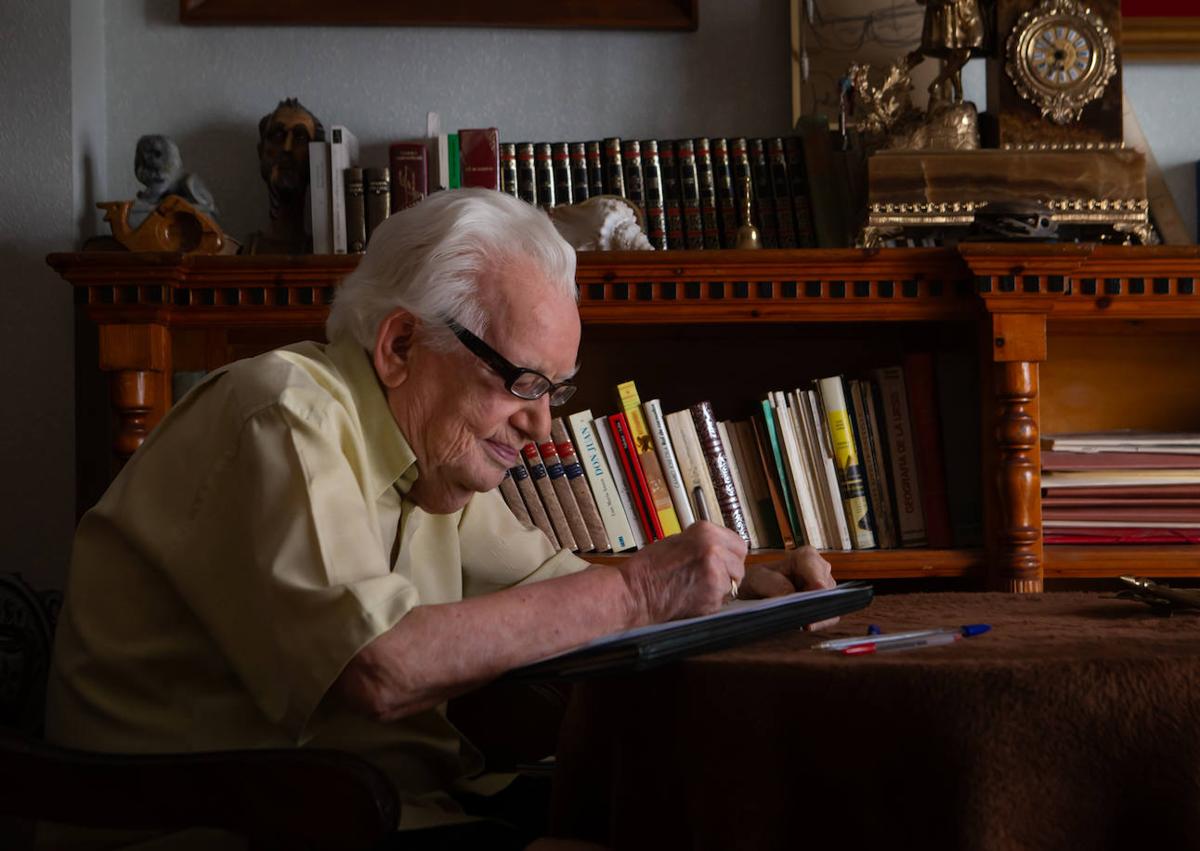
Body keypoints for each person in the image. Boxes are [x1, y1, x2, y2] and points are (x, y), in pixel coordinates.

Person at [46, 188, 834, 848]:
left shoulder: (435, 464)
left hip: (371, 813)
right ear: (399, 344)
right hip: (207, 828)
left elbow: (568, 599)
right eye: (524, 382)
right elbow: (380, 666)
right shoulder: (283, 413)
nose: (544, 428)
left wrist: (746, 595)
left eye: (554, 392)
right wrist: (639, 591)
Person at [247, 97, 323, 254]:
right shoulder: (249, 249)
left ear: (317, 156)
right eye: (277, 136)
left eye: (300, 137)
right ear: (261, 152)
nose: (287, 148)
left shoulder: (321, 249)